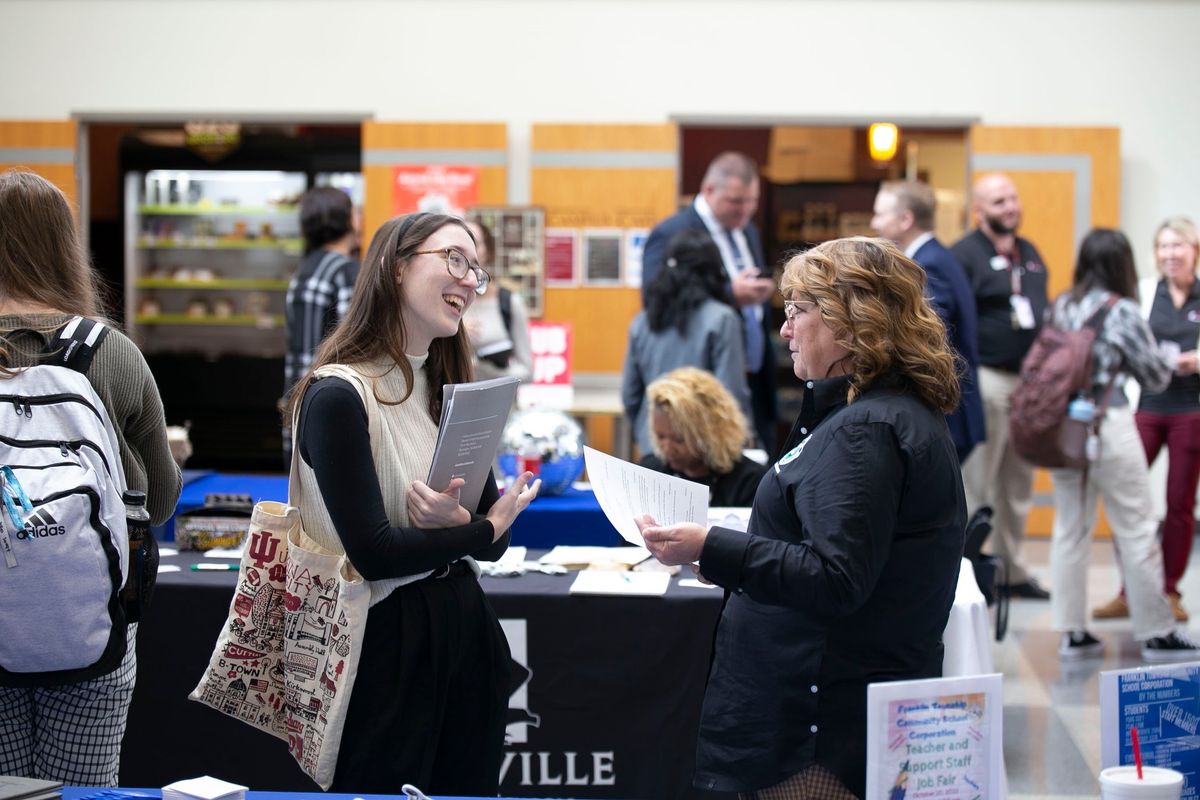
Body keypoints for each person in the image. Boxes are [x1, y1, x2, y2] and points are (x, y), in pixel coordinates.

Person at [637, 237, 966, 799]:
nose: (785, 330)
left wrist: (709, 545)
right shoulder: (877, 413)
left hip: (822, 728)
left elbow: (835, 576)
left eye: (797, 313)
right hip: (834, 706)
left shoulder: (865, 431)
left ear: (852, 320)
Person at [284, 212, 540, 795]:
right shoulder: (337, 395)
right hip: (383, 648)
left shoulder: (446, 386)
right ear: (396, 268)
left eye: (475, 267)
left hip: (464, 633)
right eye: (454, 257)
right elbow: (375, 553)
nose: (470, 279)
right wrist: (474, 531)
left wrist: (469, 528)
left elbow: (497, 544)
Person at [0, 169, 182, 785]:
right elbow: (158, 500)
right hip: (92, 621)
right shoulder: (105, 353)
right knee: (82, 790)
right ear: (63, 246)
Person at [1043, 228, 1200, 661]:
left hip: (1063, 427)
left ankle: (1072, 632)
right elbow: (1155, 377)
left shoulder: (1061, 305)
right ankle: (1156, 632)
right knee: (1135, 525)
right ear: (1123, 265)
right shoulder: (1124, 311)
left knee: (1070, 528)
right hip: (1106, 421)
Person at [1094, 217, 1200, 624]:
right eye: (1163, 247)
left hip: (1190, 410)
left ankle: (1170, 590)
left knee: (1179, 504)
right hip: (1146, 408)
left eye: (1178, 246)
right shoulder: (1143, 292)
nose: (1170, 255)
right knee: (1129, 499)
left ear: (1193, 251)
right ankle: (1131, 591)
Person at [952, 173, 1051, 600]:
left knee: (1018, 484)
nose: (1009, 207)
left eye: (1012, 198)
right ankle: (969, 575)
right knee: (978, 482)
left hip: (1028, 384)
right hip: (988, 379)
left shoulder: (1030, 253)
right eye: (998, 201)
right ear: (979, 210)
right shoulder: (965, 255)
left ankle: (1011, 572)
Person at [642, 152, 778, 452]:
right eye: (735, 201)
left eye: (751, 201)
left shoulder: (748, 231)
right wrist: (731, 296)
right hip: (699, 391)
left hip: (753, 379)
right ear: (708, 191)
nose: (745, 210)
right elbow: (655, 302)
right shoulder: (671, 233)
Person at [871, 179, 986, 463]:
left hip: (947, 413)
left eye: (880, 214)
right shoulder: (933, 257)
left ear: (905, 219)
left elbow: (927, 335)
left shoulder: (927, 264)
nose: (874, 223)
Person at [623, 229, 752, 456]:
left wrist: (650, 430)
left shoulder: (642, 322)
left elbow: (630, 394)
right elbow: (731, 394)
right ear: (713, 270)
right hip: (703, 449)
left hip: (652, 442)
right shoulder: (722, 319)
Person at [640, 367, 766, 507]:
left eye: (679, 439)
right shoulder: (649, 474)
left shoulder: (750, 482)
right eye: (661, 437)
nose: (668, 448)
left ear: (710, 433)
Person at [284, 186, 360, 398]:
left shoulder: (305, 269)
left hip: (298, 395)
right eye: (355, 212)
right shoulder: (346, 271)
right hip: (330, 396)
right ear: (347, 219)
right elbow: (356, 340)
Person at [462, 219, 532, 383]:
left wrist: (487, 371)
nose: (466, 253)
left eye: (474, 244)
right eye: (457, 247)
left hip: (499, 405)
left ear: (488, 250)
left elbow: (527, 371)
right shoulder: (441, 301)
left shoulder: (508, 302)